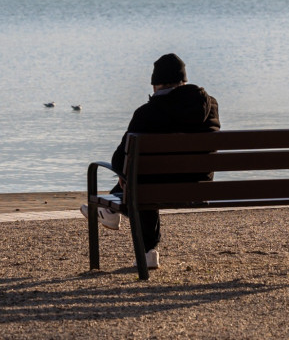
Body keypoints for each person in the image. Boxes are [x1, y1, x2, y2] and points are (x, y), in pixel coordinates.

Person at [82, 53, 220, 270]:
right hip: (200, 186)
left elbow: (119, 160)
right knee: (144, 177)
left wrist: (122, 173)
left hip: (154, 188)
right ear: (183, 81)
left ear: (156, 85)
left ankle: (144, 247)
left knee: (139, 180)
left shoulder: (147, 113)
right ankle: (113, 214)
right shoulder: (211, 106)